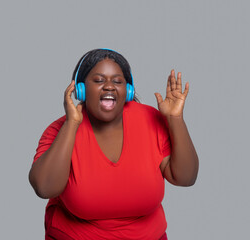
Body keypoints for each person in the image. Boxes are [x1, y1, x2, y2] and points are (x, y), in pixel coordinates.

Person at [29, 48, 199, 240]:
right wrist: (72, 125)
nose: (109, 86)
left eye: (117, 81)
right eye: (99, 80)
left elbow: (185, 178)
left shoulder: (150, 119)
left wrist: (175, 119)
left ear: (128, 91)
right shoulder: (60, 129)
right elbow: (44, 188)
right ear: (80, 89)